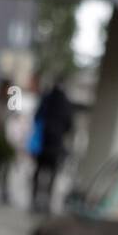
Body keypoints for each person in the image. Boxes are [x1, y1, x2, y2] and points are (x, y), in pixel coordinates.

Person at [31, 79, 73, 213]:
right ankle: (47, 201)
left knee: (38, 171)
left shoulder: (46, 99)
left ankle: (34, 199)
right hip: (56, 144)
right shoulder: (65, 102)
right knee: (52, 174)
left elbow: (37, 117)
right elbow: (69, 125)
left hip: (43, 142)